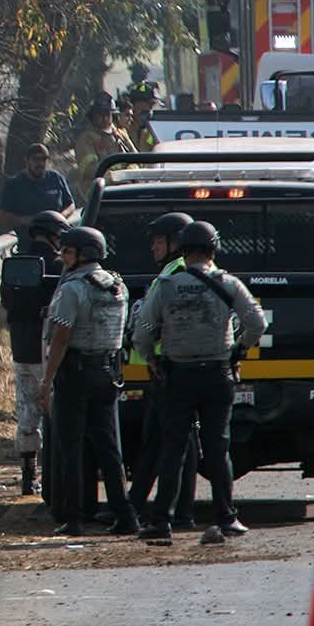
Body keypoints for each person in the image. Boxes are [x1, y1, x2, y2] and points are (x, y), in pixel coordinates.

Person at [130, 220, 265, 542]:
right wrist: (239, 350)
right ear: (213, 249)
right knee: (218, 448)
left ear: (183, 250)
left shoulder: (166, 285)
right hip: (218, 375)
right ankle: (227, 517)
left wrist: (151, 359)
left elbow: (142, 332)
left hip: (177, 375)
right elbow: (256, 322)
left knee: (173, 449)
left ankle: (162, 520)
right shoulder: (228, 284)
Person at [39, 225, 139, 537]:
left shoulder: (73, 289)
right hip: (107, 371)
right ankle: (125, 515)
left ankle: (74, 517)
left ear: (83, 255)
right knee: (108, 447)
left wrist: (46, 381)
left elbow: (61, 337)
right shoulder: (116, 286)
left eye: (68, 251)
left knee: (71, 446)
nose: (63, 257)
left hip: (76, 371)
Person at [125, 212, 199, 527]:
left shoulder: (175, 274)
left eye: (159, 240)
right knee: (159, 440)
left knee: (177, 443)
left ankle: (177, 512)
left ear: (175, 243)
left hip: (169, 368)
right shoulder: (170, 271)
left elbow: (151, 323)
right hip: (164, 370)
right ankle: (135, 505)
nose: (153, 246)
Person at [1, 210, 67, 496]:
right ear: (55, 235)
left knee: (27, 414)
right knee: (55, 412)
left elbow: (6, 302)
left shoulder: (14, 265)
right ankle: (57, 471)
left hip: (22, 349)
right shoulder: (60, 266)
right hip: (50, 352)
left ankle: (29, 476)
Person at [0, 144, 76, 232]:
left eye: (43, 159)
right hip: (29, 238)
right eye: (35, 159)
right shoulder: (14, 185)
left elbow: (70, 205)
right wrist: (26, 220)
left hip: (56, 234)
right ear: (27, 161)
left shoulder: (56, 178)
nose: (40, 163)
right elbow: (1, 217)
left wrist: (60, 217)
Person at [73, 96, 133, 182]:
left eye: (107, 114)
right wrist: (115, 176)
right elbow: (90, 169)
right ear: (93, 116)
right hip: (100, 190)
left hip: (125, 185)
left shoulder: (120, 135)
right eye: (100, 114)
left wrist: (132, 170)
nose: (104, 118)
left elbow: (136, 158)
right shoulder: (86, 139)